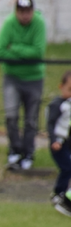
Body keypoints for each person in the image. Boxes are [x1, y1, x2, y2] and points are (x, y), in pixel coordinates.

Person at [0, 0, 46, 171]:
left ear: (32, 11)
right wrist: (25, 54)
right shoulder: (9, 24)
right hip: (12, 78)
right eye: (21, 12)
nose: (25, 16)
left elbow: (38, 52)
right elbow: (0, 50)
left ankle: (28, 153)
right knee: (11, 116)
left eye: (28, 12)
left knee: (31, 120)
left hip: (34, 79)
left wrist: (15, 49)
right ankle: (14, 150)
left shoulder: (39, 24)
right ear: (16, 12)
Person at [46, 70, 71, 217]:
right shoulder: (57, 104)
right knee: (67, 168)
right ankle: (59, 194)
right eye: (69, 89)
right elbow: (50, 124)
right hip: (58, 144)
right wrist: (53, 140)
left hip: (66, 143)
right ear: (60, 86)